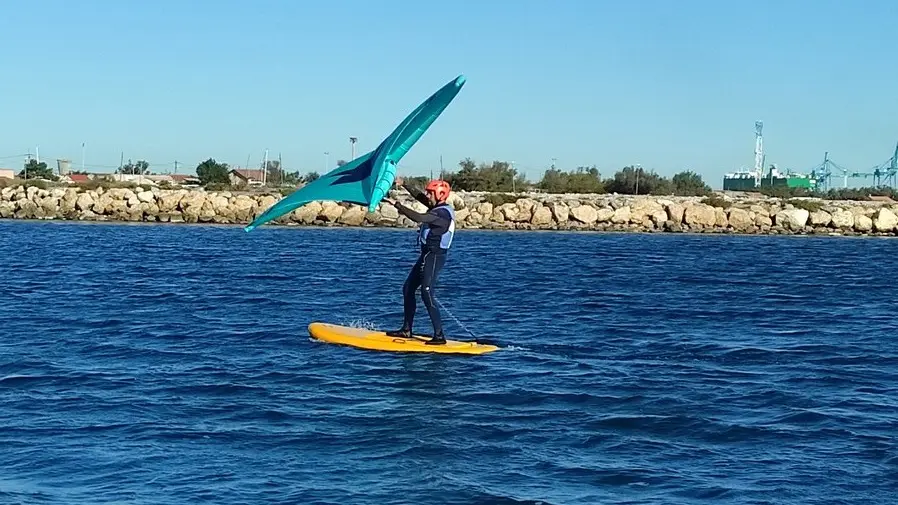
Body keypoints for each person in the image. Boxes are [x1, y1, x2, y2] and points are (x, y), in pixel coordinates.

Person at [381, 177, 456, 345]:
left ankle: (439, 336)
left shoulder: (442, 213)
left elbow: (419, 218)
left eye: (430, 193)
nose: (427, 195)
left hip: (435, 255)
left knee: (427, 292)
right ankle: (407, 329)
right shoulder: (437, 207)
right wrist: (404, 184)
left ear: (439, 194)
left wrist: (397, 204)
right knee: (408, 288)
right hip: (426, 255)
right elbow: (420, 197)